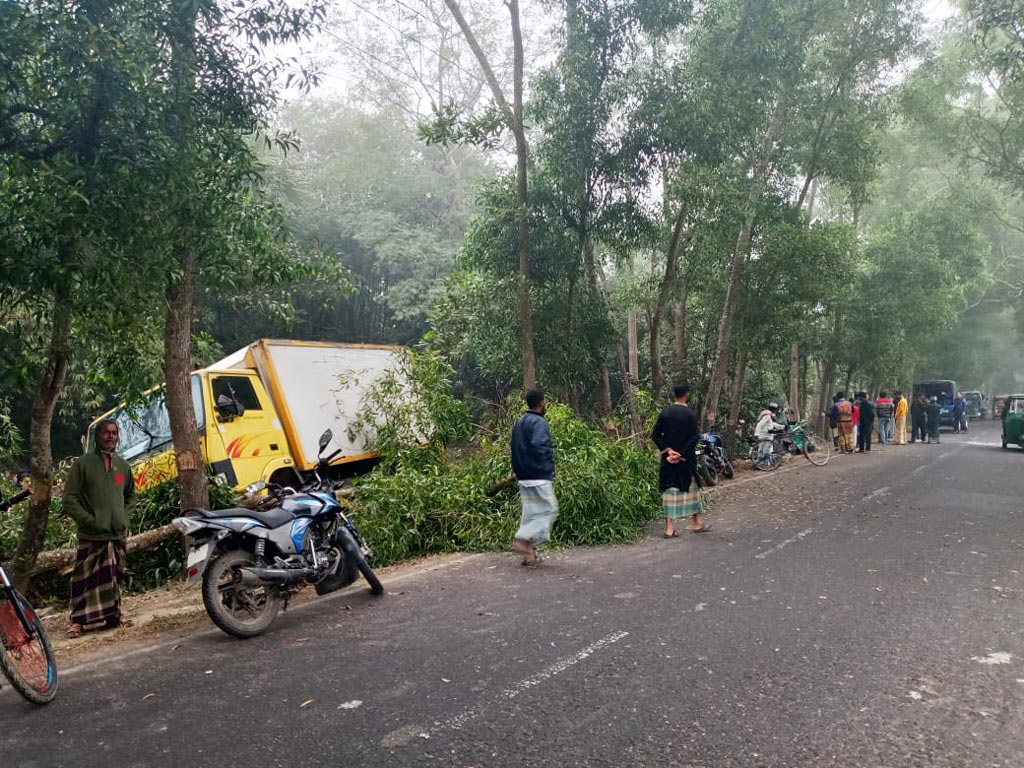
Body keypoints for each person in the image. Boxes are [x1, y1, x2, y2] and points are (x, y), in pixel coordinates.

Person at [64, 418, 135, 638]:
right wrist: (89, 520)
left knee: (114, 577)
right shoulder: (82, 464)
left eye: (114, 433)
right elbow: (70, 499)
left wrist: (124, 517)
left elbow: (131, 496)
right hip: (91, 534)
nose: (111, 436)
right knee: (83, 579)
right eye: (106, 432)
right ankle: (78, 621)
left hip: (116, 533)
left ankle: (114, 614)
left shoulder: (123, 465)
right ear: (98, 435)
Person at [651, 383, 709, 536]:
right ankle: (696, 523)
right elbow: (695, 436)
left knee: (669, 491)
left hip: (668, 460)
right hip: (686, 460)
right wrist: (681, 454)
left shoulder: (665, 412)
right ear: (686, 395)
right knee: (693, 489)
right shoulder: (690, 414)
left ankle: (669, 529)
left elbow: (655, 435)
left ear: (674, 394)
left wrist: (669, 451)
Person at [510, 389, 558, 566]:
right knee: (549, 510)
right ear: (541, 402)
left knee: (530, 514)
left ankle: (529, 556)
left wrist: (518, 469)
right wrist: (547, 464)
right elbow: (539, 444)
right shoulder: (539, 422)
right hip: (538, 474)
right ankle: (523, 539)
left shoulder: (519, 422)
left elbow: (513, 447)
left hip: (523, 475)